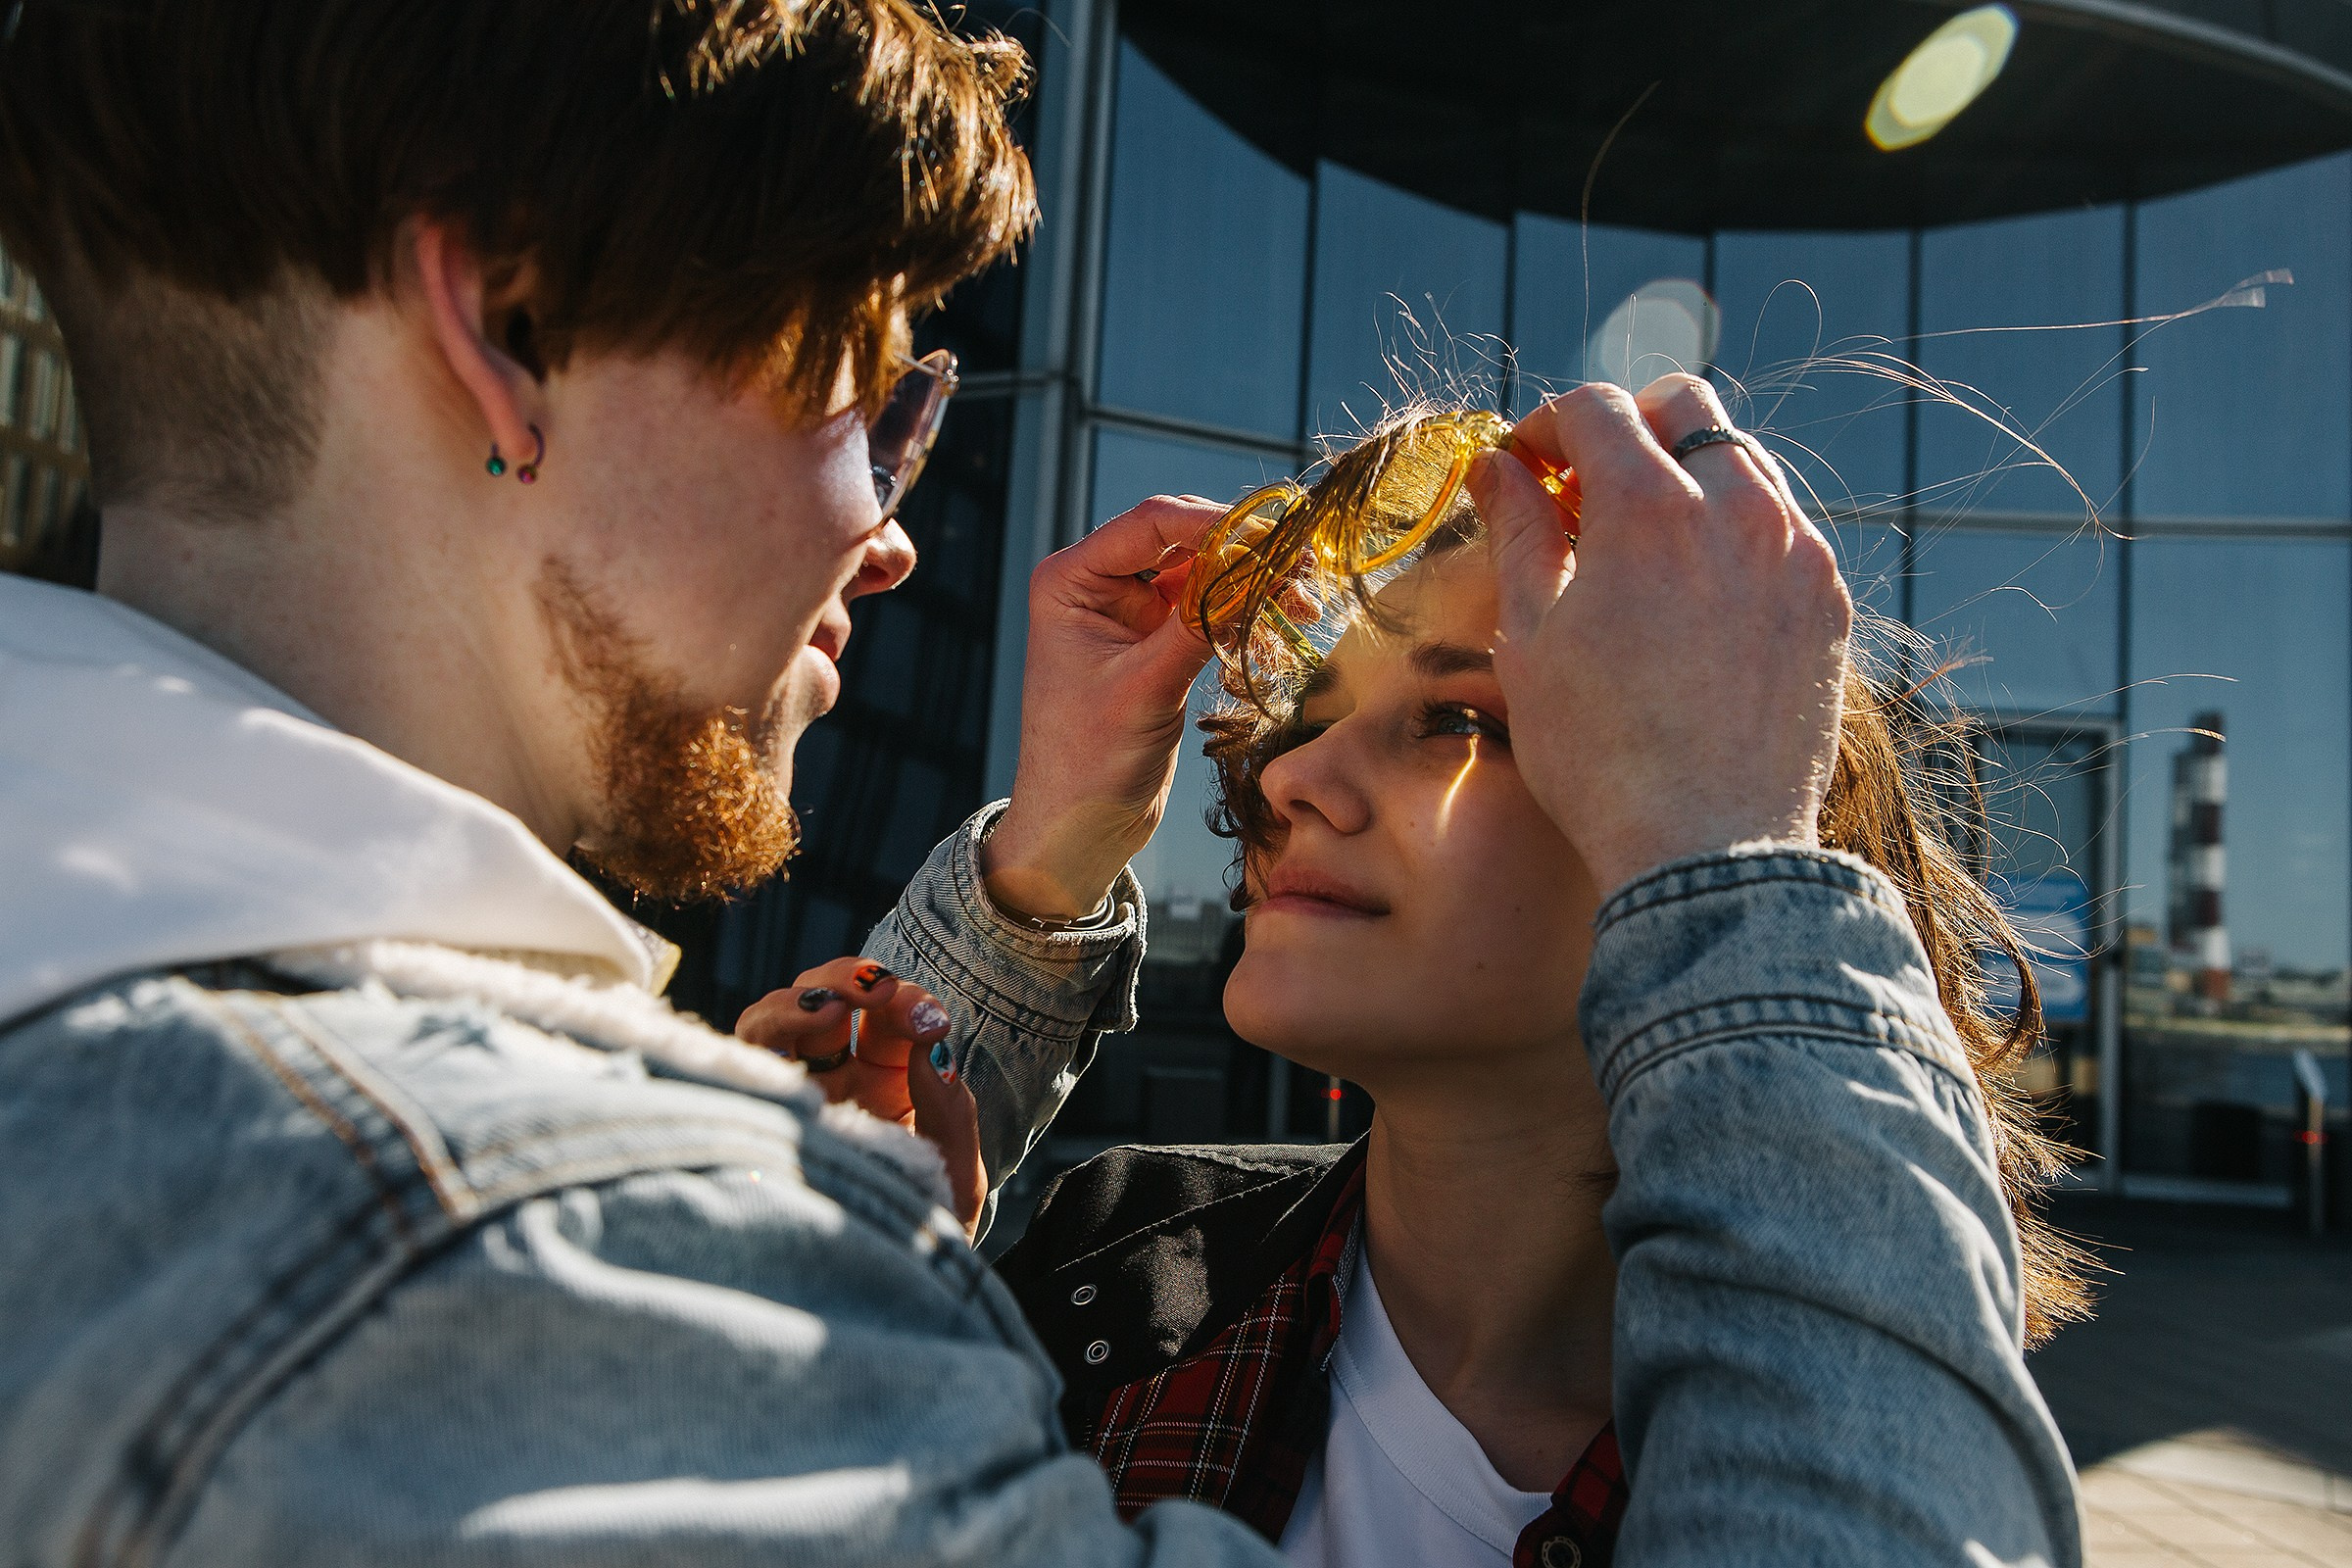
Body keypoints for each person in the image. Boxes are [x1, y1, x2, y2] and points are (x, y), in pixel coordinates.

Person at [0, 2, 2077, 1564]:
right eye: (869, 388)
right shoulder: (552, 1257)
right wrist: (1729, 863)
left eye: (1459, 714)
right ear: (510, 323)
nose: (894, 527)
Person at [998, 396, 2090, 1568]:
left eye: (1458, 719)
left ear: (1708, 803)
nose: (1295, 775)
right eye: (1310, 715)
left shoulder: (1867, 1443)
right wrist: (1034, 875)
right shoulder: (1107, 1260)